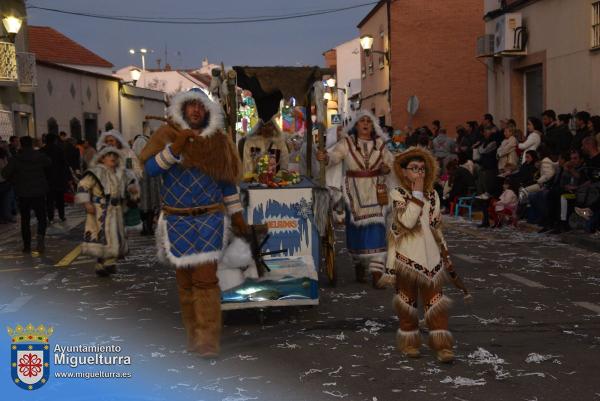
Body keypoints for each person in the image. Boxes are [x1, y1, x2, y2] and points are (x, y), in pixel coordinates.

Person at [139, 89, 249, 358]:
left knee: (205, 282)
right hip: (177, 221)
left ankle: (207, 340)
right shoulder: (166, 136)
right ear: (183, 109)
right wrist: (175, 149)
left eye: (201, 106)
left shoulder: (218, 141)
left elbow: (227, 184)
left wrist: (237, 216)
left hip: (209, 219)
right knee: (185, 284)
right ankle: (193, 335)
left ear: (208, 110)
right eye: (191, 106)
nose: (196, 110)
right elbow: (150, 169)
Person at [385, 146, 455, 363]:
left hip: (431, 257)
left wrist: (445, 254)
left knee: (436, 305)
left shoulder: (433, 194)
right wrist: (416, 194)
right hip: (406, 257)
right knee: (407, 304)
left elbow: (436, 226)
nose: (419, 173)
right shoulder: (397, 194)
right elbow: (406, 221)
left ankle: (442, 347)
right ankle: (409, 343)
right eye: (414, 168)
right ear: (403, 171)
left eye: (422, 169)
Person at [316, 111, 393, 288]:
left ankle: (377, 273)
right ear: (356, 126)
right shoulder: (346, 143)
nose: (365, 124)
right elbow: (334, 158)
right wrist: (325, 157)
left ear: (373, 126)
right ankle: (359, 264)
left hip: (376, 190)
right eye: (361, 121)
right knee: (357, 233)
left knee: (377, 231)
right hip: (354, 191)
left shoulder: (380, 144)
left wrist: (386, 168)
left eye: (368, 121)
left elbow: (389, 163)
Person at [75, 146, 139, 276]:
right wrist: (87, 203)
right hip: (100, 210)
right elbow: (83, 186)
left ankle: (102, 264)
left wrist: (133, 192)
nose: (112, 157)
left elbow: (130, 186)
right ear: (102, 158)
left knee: (114, 236)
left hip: (116, 210)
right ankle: (108, 262)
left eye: (114, 155)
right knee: (104, 238)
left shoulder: (121, 173)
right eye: (109, 155)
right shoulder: (95, 172)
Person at [2, 136, 51, 252]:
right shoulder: (39, 156)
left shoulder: (16, 158)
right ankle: (40, 240)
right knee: (41, 218)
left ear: (21, 144)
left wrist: (15, 179)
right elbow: (49, 163)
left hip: (23, 193)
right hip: (39, 191)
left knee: (25, 220)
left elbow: (5, 173)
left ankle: (27, 246)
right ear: (32, 143)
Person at [132, 131, 161, 236]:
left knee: (142, 207)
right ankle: (149, 228)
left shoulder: (135, 160)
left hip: (141, 185)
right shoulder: (152, 157)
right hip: (151, 184)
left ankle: (145, 227)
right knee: (151, 206)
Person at [41, 133, 71, 223]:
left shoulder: (42, 150)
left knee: (49, 199)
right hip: (59, 178)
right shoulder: (59, 150)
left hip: (47, 178)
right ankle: (62, 216)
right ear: (55, 140)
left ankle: (50, 217)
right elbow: (64, 164)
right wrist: (68, 177)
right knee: (60, 199)